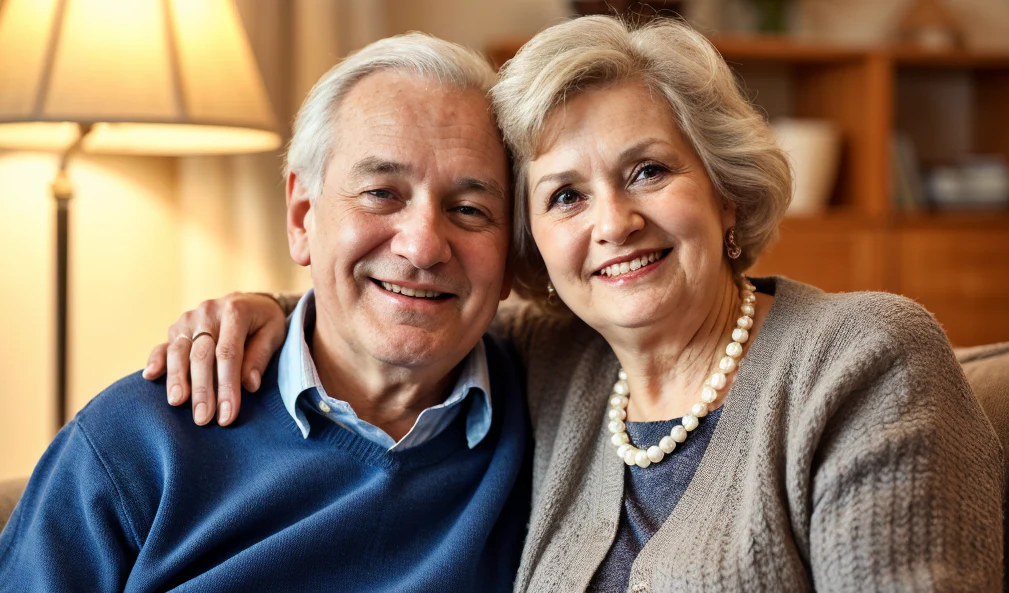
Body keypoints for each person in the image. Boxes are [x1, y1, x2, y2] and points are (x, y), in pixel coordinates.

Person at [145, 16, 1003, 592]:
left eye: (648, 172)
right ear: (534, 249)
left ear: (726, 193)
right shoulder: (557, 361)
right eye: (563, 196)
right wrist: (263, 307)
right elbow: (408, 300)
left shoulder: (863, 359)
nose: (614, 223)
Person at [0, 34, 532, 592]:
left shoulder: (552, 414)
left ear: (512, 257)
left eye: (470, 209)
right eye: (381, 193)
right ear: (303, 217)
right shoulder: (136, 443)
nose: (423, 246)